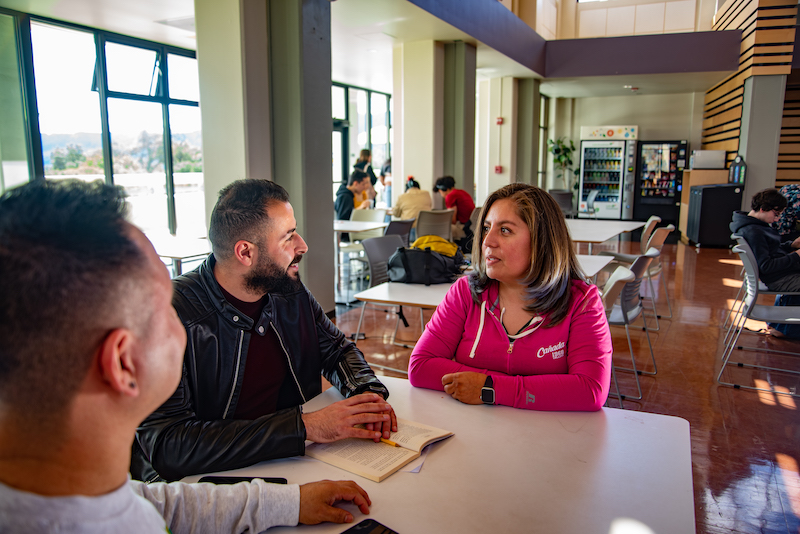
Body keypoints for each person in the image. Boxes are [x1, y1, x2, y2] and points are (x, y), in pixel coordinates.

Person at [0, 180, 374, 532]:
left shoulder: (100, 496)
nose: (180, 318)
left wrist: (289, 503)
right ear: (122, 361)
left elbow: (162, 504)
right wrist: (305, 429)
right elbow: (169, 451)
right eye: (162, 307)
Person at [134, 179, 396, 483]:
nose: (303, 245)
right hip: (210, 483)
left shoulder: (287, 289)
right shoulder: (168, 315)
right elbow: (169, 447)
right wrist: (304, 426)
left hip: (291, 460)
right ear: (245, 253)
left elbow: (337, 350)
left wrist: (367, 397)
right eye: (288, 237)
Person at [408, 183, 612, 411]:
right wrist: (536, 390)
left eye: (505, 230)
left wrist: (490, 388)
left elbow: (590, 390)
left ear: (541, 241)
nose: (487, 242)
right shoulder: (466, 292)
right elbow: (420, 367)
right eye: (486, 228)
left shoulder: (581, 302)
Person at [730, 188, 800, 337]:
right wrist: (796, 256)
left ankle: (782, 327)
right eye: (776, 214)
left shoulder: (752, 225)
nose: (777, 219)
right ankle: (787, 330)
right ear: (763, 208)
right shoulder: (753, 231)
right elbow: (766, 266)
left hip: (780, 275)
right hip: (779, 278)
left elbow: (771, 250)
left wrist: (791, 245)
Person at [434, 175, 475, 250]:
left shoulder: (450, 196)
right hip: (471, 226)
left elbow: (452, 220)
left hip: (463, 227)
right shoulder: (462, 192)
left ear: (442, 189)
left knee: (437, 229)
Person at [335, 170, 371, 242]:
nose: (365, 187)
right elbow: (344, 219)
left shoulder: (348, 195)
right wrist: (360, 208)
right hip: (348, 234)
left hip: (352, 232)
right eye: (363, 184)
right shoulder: (345, 197)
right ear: (355, 183)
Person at [392, 177, 432, 242]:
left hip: (410, 231)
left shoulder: (402, 197)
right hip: (427, 231)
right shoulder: (426, 194)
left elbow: (396, 214)